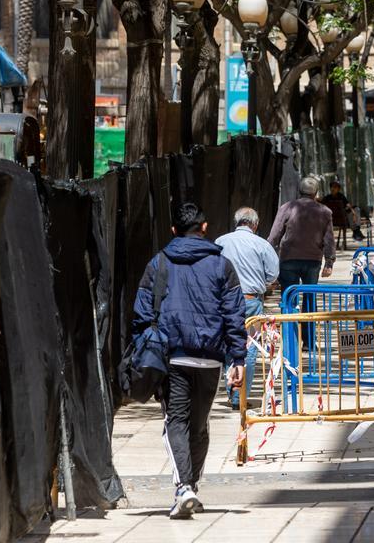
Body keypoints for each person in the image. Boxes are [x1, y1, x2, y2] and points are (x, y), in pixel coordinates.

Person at [131, 202, 246, 520]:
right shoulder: (222, 265)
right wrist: (238, 357)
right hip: (211, 359)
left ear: (173, 231)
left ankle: (184, 487)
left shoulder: (158, 264)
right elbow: (234, 314)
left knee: (176, 422)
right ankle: (190, 486)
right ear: (205, 228)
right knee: (199, 425)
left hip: (173, 356)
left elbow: (141, 313)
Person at [214, 207, 279, 411]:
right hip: (251, 301)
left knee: (228, 345)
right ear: (255, 224)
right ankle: (240, 396)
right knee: (249, 348)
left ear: (236, 221)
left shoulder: (220, 242)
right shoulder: (262, 244)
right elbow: (273, 274)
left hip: (225, 301)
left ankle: (232, 390)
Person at [267, 177, 334, 348]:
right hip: (313, 261)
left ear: (299, 191)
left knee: (288, 299)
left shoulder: (287, 208)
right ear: (316, 193)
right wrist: (329, 262)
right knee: (310, 300)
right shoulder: (325, 211)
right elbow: (329, 238)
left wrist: (266, 258)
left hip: (289, 259)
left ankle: (290, 341)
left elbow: (275, 235)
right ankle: (309, 343)